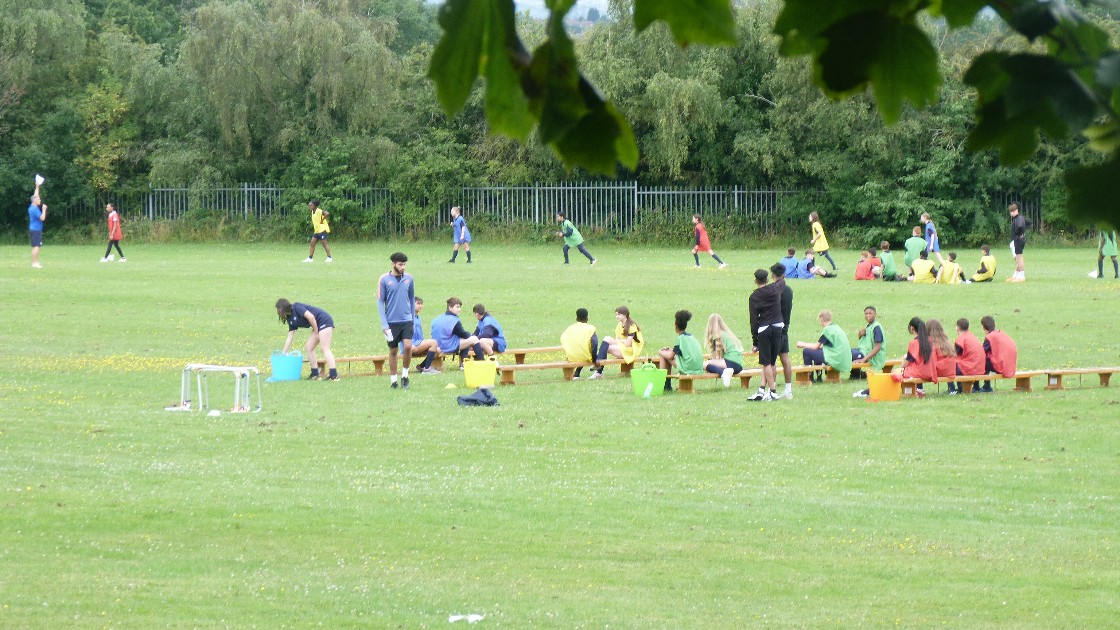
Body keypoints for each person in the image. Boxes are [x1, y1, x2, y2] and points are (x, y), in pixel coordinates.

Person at [377, 252, 416, 389]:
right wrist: (384, 324)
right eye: (400, 264)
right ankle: (393, 380)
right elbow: (380, 302)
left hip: (407, 320)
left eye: (404, 264)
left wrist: (412, 318)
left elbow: (412, 299)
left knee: (407, 346)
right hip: (391, 322)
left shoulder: (409, 278)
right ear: (393, 264)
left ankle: (405, 375)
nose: (403, 267)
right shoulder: (384, 279)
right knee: (393, 351)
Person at [748, 268, 786, 401]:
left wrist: (755, 341)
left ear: (755, 281)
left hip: (764, 328)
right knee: (772, 361)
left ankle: (773, 391)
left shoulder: (754, 296)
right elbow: (781, 280)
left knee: (766, 363)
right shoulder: (775, 289)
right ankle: (766, 389)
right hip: (777, 327)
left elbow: (753, 320)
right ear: (768, 279)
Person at [275, 299, 337, 380]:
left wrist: (316, 331)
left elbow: (311, 317)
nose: (278, 312)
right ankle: (315, 374)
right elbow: (290, 337)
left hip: (324, 320)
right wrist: (284, 352)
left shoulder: (297, 307)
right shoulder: (290, 319)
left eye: (278, 309)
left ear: (283, 308)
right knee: (308, 348)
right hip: (316, 325)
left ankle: (334, 375)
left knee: (324, 348)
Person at [796, 310, 853, 383]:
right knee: (817, 352)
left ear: (821, 319)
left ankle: (810, 377)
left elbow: (816, 346)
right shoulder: (836, 328)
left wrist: (803, 344)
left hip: (835, 359)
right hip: (842, 357)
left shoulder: (827, 330)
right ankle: (819, 377)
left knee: (807, 351)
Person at [428, 297, 484, 370]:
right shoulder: (454, 320)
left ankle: (463, 364)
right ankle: (482, 363)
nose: (459, 309)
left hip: (437, 345)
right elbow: (463, 334)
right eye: (457, 307)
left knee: (465, 340)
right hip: (447, 346)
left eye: (460, 307)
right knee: (473, 339)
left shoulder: (437, 318)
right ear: (450, 308)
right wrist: (470, 334)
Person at [589, 306, 644, 378]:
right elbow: (617, 339)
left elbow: (628, 344)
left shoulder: (632, 326)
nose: (616, 316)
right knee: (607, 339)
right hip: (622, 347)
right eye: (616, 314)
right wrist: (623, 340)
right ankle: (598, 366)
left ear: (625, 315)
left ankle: (598, 369)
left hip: (630, 351)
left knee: (607, 347)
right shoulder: (620, 324)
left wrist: (622, 341)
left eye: (618, 314)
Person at [658, 310, 705, 392]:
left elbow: (670, 356)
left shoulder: (680, 339)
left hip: (688, 368)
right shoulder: (691, 337)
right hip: (698, 367)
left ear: (676, 326)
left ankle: (665, 385)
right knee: (668, 354)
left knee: (664, 355)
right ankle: (666, 385)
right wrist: (670, 350)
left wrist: (660, 351)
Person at [770, 262, 794, 400]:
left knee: (770, 361)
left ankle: (771, 390)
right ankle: (788, 389)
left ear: (773, 275)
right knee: (785, 358)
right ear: (784, 274)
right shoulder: (788, 290)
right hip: (785, 326)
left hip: (774, 327)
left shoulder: (772, 289)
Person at [702, 313, 745, 388]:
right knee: (710, 363)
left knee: (704, 364)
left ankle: (723, 372)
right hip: (738, 365)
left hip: (730, 362)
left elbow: (717, 357)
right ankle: (726, 372)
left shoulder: (717, 336)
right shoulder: (727, 334)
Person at [852, 306, 886, 398]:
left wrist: (864, 359)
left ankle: (868, 392)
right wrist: (860, 334)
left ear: (875, 314)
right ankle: (867, 390)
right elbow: (865, 341)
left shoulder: (876, 328)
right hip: (865, 353)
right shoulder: (868, 326)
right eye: (866, 313)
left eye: (870, 313)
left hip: (875, 358)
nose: (868, 315)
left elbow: (878, 347)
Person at [896, 317, 936, 395]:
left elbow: (907, 361)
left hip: (920, 372)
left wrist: (899, 369)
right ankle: (919, 389)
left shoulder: (914, 343)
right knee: (913, 367)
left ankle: (910, 391)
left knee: (898, 373)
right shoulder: (931, 340)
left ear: (912, 328)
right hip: (930, 371)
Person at [979, 315, 1018, 392]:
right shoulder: (1002, 334)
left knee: (982, 360)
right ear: (994, 324)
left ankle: (985, 386)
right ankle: (986, 386)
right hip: (1011, 365)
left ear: (983, 327)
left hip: (1002, 366)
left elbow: (981, 351)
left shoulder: (990, 337)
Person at [947, 318, 985, 394]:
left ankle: (953, 389)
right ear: (968, 327)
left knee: (949, 364)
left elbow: (953, 355)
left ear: (957, 328)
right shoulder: (972, 336)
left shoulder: (961, 339)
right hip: (980, 367)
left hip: (970, 367)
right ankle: (976, 387)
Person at [407, 297, 442, 374]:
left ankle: (421, 366)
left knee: (438, 350)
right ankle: (427, 369)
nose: (420, 306)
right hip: (411, 345)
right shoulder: (408, 317)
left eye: (421, 304)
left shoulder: (417, 317)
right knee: (433, 342)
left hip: (418, 343)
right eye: (418, 303)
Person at [561, 308, 598, 379]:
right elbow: (595, 344)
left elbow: (563, 338)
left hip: (571, 357)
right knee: (594, 354)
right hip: (585, 356)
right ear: (587, 318)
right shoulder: (590, 328)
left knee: (582, 352)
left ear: (576, 318)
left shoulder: (570, 328)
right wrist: (594, 359)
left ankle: (576, 374)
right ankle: (599, 372)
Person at [28, 186, 46, 268]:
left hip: (33, 229)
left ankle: (34, 262)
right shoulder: (34, 209)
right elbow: (42, 218)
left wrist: (37, 186)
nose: (40, 200)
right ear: (35, 201)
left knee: (35, 246)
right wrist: (44, 209)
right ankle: (34, 263)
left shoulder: (32, 207)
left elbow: (35, 195)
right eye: (39, 199)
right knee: (37, 246)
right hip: (36, 230)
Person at [1008, 202, 1026, 282]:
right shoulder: (1018, 218)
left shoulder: (1018, 219)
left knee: (1019, 258)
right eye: (1010, 211)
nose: (1011, 213)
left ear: (1016, 210)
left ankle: (1021, 277)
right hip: (1018, 240)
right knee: (1017, 259)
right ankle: (1016, 275)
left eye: (1012, 211)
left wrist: (1018, 235)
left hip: (1018, 240)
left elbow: (1021, 227)